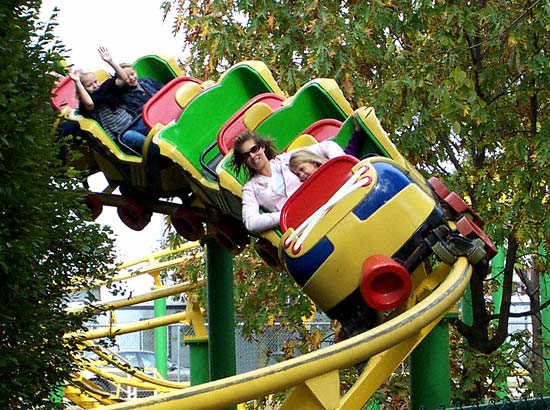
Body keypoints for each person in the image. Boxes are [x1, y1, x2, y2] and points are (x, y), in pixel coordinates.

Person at [232, 130, 346, 234]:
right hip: (303, 226)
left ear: (262, 147)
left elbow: (328, 146)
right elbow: (251, 223)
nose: (252, 156)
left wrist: (340, 170)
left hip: (325, 202)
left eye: (254, 149)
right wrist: (287, 214)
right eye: (246, 155)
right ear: (244, 160)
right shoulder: (251, 188)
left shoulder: (286, 159)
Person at [69, 47, 151, 156]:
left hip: (133, 122)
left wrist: (110, 61)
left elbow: (124, 78)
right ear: (83, 89)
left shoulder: (106, 88)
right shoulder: (86, 103)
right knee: (132, 137)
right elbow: (90, 104)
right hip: (121, 134)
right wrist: (77, 82)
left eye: (95, 82)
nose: (95, 86)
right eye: (89, 85)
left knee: (150, 121)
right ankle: (158, 151)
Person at [289, 114, 366, 182]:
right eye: (298, 175)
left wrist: (358, 130)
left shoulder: (333, 169)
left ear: (313, 163)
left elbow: (350, 153)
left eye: (302, 169)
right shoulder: (312, 186)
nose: (301, 175)